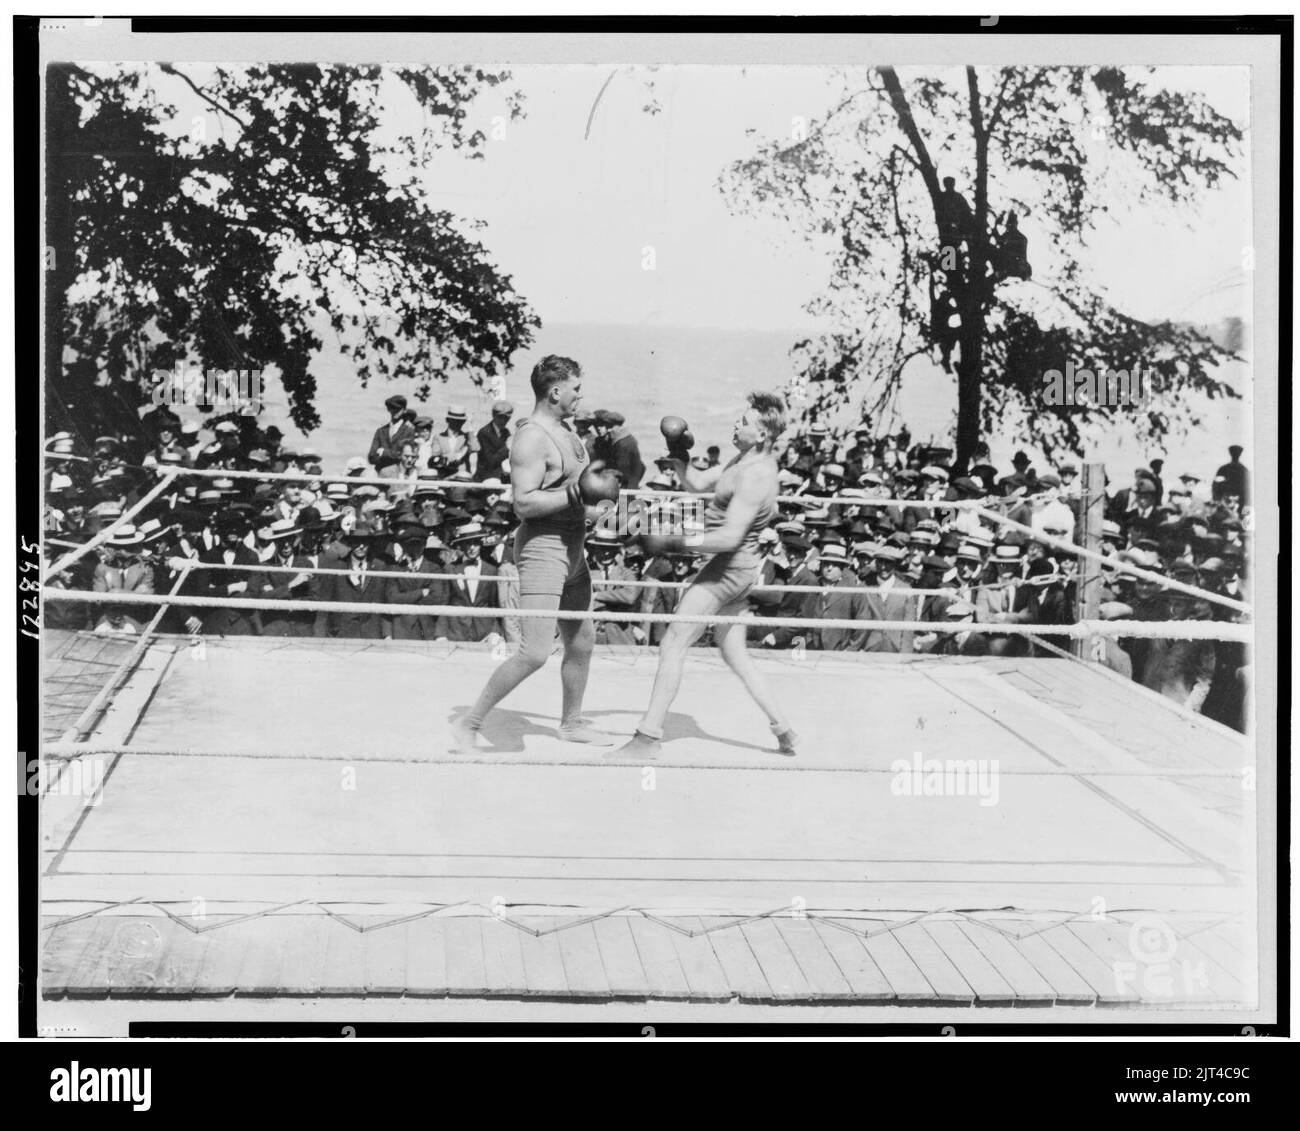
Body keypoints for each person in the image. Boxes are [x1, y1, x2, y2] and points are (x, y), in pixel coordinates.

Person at [612, 391, 798, 759]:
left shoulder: (757, 476)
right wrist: (678, 453)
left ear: (761, 434)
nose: (735, 424)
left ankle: (647, 738)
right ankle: (785, 729)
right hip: (736, 566)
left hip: (729, 569)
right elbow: (696, 485)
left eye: (743, 422)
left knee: (673, 642)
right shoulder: (743, 460)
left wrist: (674, 541)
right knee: (735, 653)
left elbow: (729, 537)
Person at [451, 355, 621, 752]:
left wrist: (601, 509)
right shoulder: (530, 437)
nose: (580, 396)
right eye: (576, 389)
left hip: (573, 546)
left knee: (581, 641)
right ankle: (469, 722)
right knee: (534, 652)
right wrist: (577, 495)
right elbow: (524, 504)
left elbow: (574, 493)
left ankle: (572, 722)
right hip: (543, 549)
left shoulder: (567, 432)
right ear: (555, 391)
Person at [368, 395, 415, 472]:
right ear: (388, 409)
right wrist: (393, 455)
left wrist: (383, 452)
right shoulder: (381, 431)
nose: (395, 411)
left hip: (400, 474)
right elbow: (371, 457)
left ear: (404, 410)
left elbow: (405, 455)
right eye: (392, 408)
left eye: (398, 409)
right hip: (381, 474)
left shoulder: (409, 431)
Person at [475, 401, 514, 481]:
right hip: (485, 478)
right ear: (493, 415)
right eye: (501, 417)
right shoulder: (484, 432)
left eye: (507, 418)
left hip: (502, 476)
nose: (504, 420)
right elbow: (490, 462)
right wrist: (507, 447)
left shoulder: (506, 432)